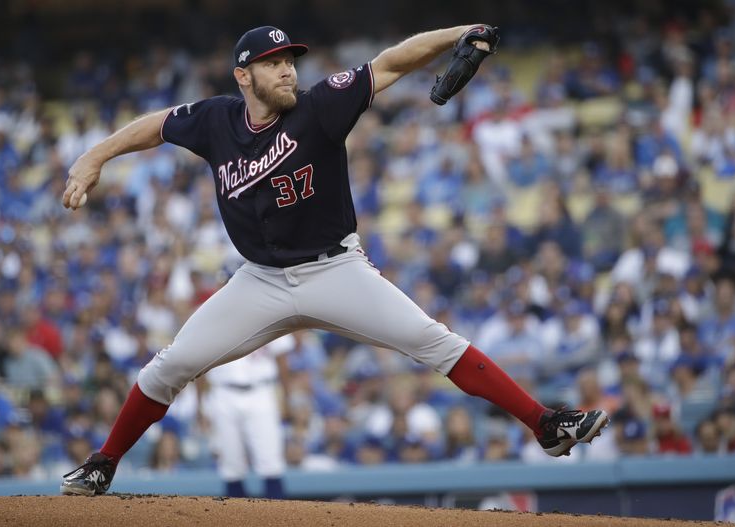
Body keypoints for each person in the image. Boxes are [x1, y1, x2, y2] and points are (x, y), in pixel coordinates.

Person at [60, 24, 608, 496]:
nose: (287, 72)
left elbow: (391, 62)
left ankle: (545, 422)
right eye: (272, 63)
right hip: (260, 281)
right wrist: (94, 155)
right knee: (170, 366)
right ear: (243, 76)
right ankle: (103, 463)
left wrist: (458, 33)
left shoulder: (321, 107)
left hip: (335, 270)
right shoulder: (215, 121)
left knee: (433, 340)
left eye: (289, 61)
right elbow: (157, 124)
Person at [203, 334, 294, 499]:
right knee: (231, 464)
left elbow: (282, 358)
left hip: (261, 390)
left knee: (270, 460)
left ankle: (279, 519)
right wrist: (200, 405)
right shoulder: (214, 314)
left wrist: (287, 398)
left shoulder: (270, 310)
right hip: (223, 392)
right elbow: (200, 361)